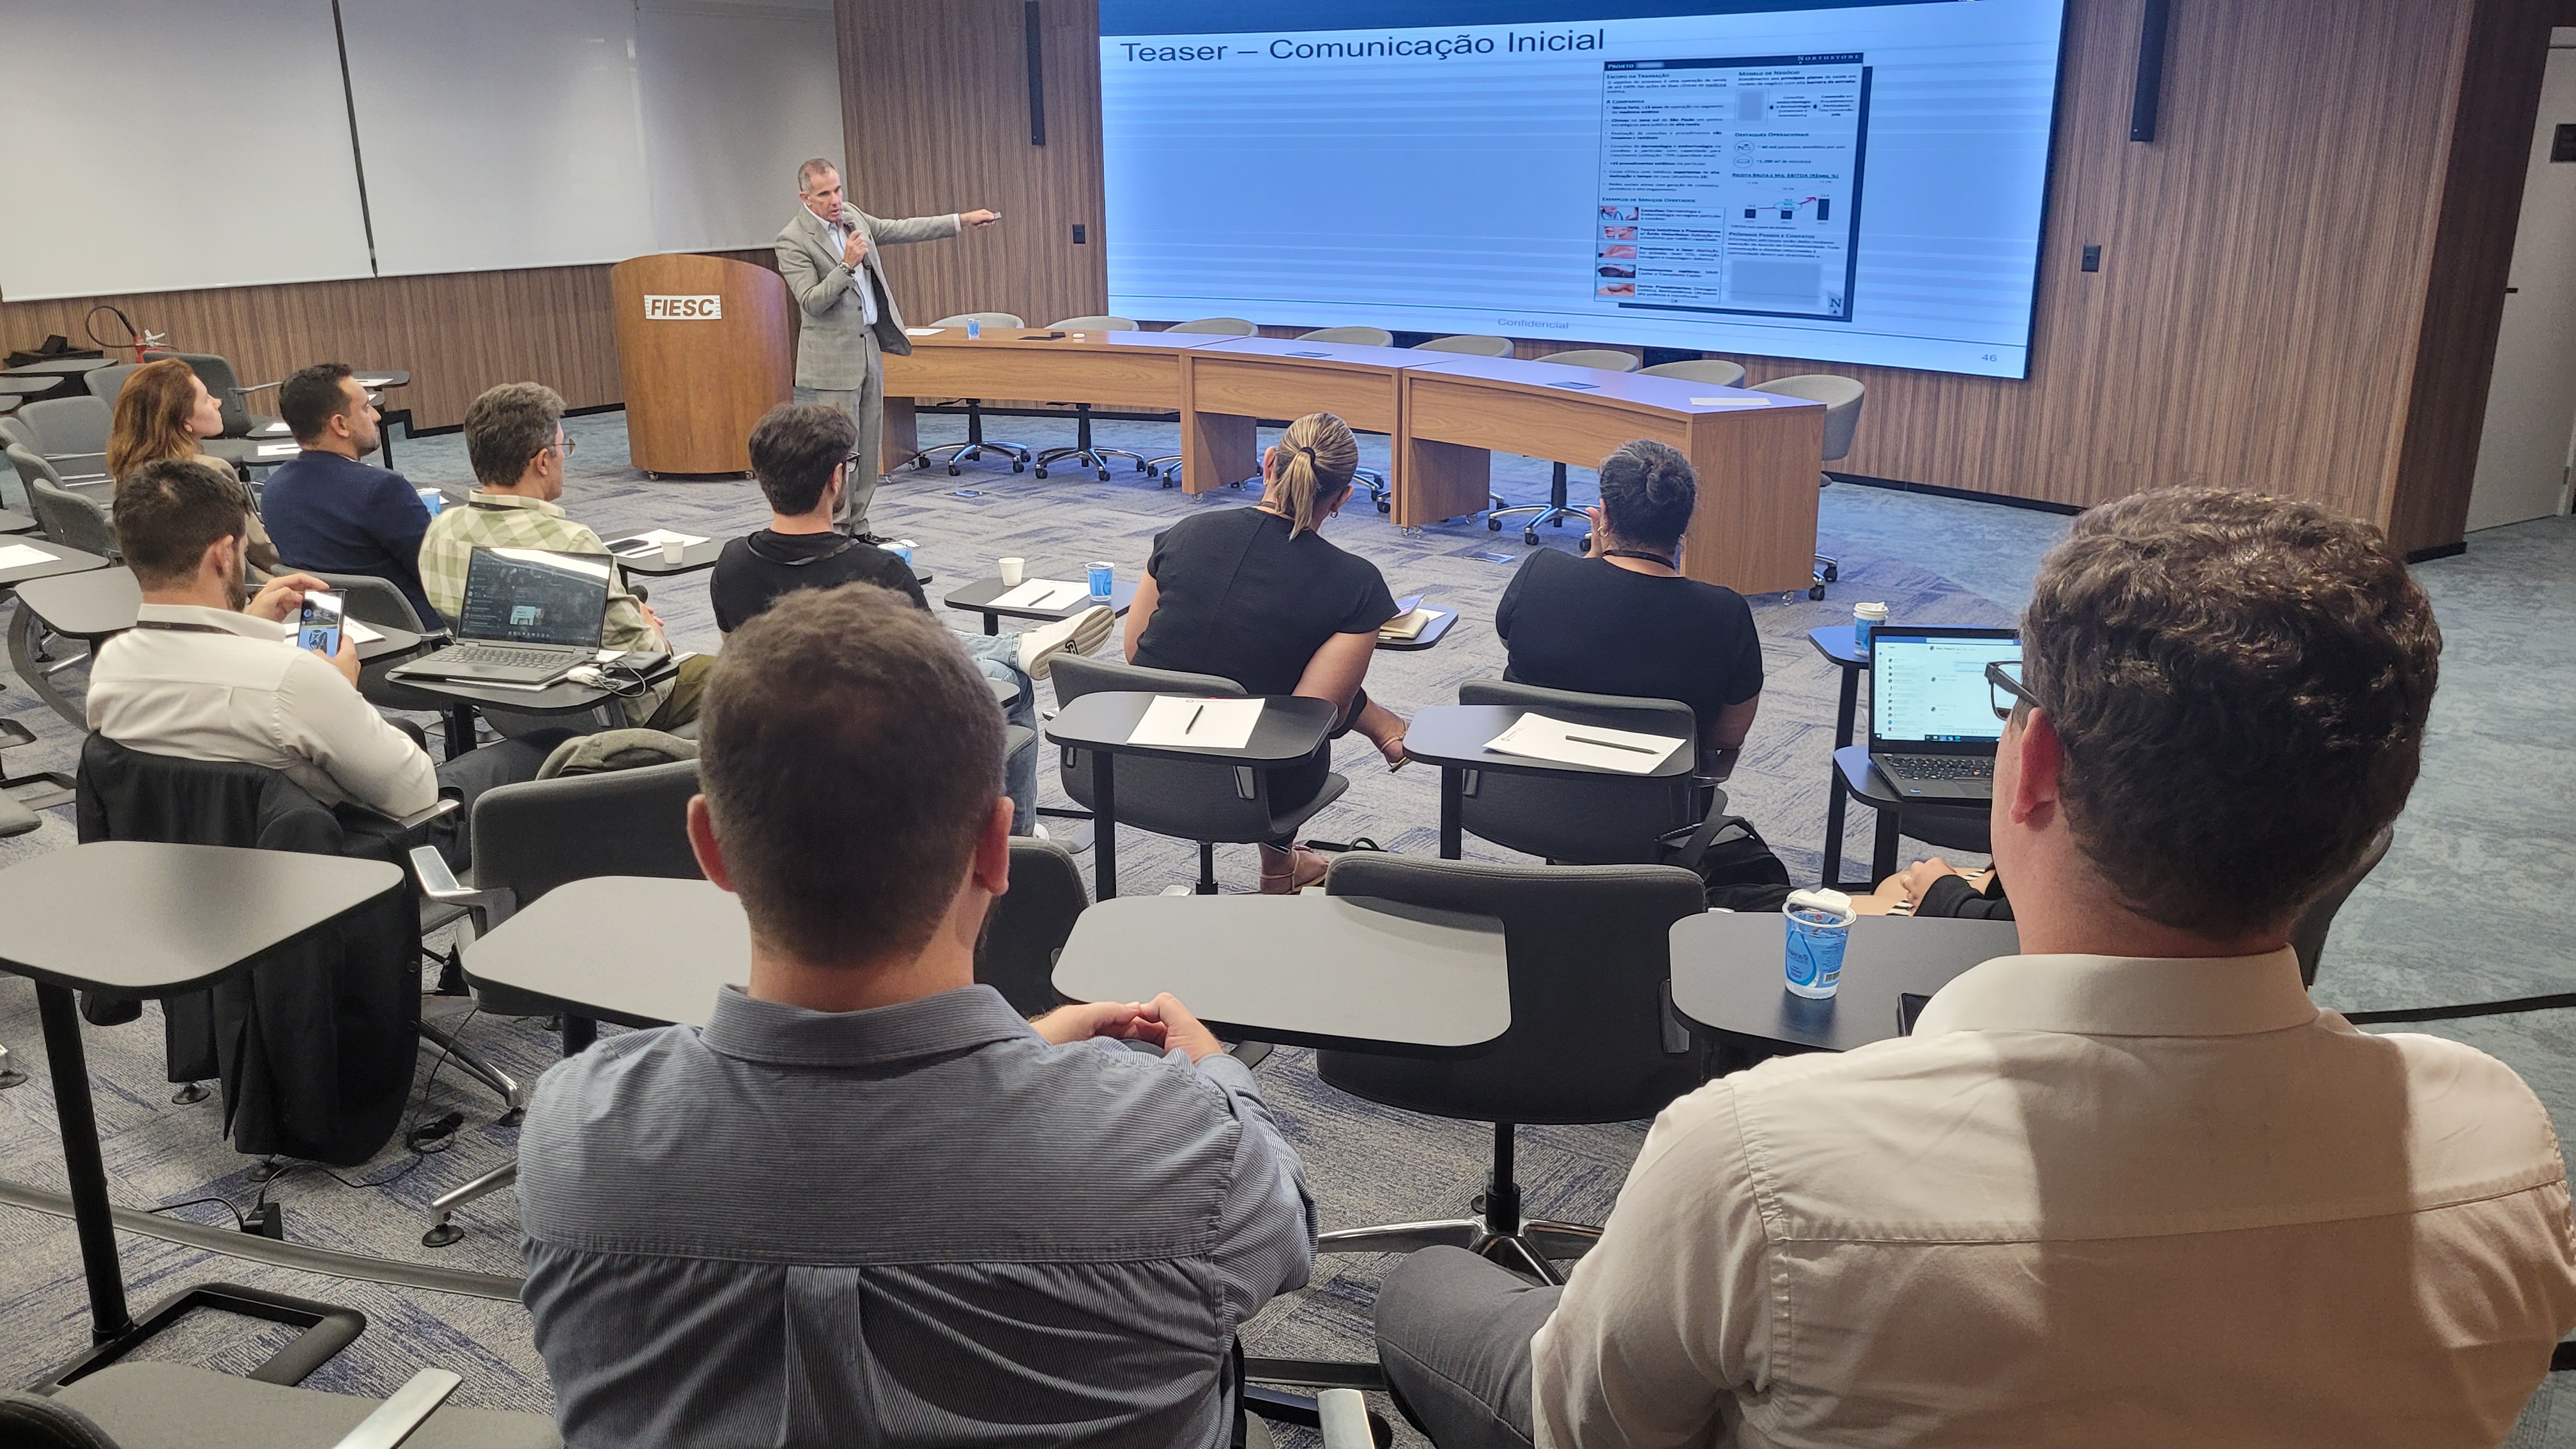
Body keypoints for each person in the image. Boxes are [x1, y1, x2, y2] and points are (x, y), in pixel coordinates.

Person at [1373, 488, 2576, 1448]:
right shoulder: (2499, 1146)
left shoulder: (1754, 1159)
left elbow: (1583, 1425)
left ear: (2033, 766)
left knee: (1428, 1291)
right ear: (2375, 821)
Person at [517, 584, 1316, 1447]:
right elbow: (1288, 1230)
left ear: (710, 847)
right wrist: (1214, 1070)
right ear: (996, 846)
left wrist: (1026, 1050)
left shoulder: (575, 1131)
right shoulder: (1185, 1151)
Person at [87, 459, 554, 857]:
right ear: (224, 556)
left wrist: (253, 626)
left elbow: (208, 710)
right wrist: (340, 689)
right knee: (546, 748)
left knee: (401, 734)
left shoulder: (111, 667)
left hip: (203, 864)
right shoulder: (292, 681)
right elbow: (416, 793)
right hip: (337, 873)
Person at [710, 401, 1112, 832]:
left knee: (968, 654)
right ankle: (1020, 837)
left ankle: (1015, 648)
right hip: (874, 731)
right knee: (1010, 681)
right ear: (835, 478)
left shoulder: (733, 562)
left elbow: (737, 655)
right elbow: (933, 674)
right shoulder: (878, 572)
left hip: (778, 729)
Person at [1123, 412, 1407, 892]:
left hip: (1135, 766)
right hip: (1255, 790)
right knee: (1285, 715)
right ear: (1343, 497)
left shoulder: (1185, 533)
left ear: (1269, 463)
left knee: (1252, 678)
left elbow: (1137, 654)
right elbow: (1316, 716)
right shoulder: (1356, 584)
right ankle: (1278, 870)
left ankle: (1284, 867)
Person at [418, 382, 712, 731]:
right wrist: (646, 623)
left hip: (503, 706)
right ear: (543, 461)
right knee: (748, 678)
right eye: (563, 447)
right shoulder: (571, 543)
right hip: (601, 708)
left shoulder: (441, 530)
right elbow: (648, 657)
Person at [774, 157, 1000, 542]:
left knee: (869, 446)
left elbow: (901, 228)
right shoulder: (793, 240)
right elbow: (811, 302)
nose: (835, 200)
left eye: (838, 189)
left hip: (868, 348)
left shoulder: (853, 218)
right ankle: (834, 533)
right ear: (805, 198)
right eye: (825, 194)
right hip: (831, 362)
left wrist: (960, 220)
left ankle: (859, 527)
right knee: (838, 452)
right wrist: (846, 266)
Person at [1492, 439, 1761, 759]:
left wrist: (1591, 563)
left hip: (1523, 782)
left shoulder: (1542, 573)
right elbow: (1728, 736)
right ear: (1685, 522)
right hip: (1655, 790)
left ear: (1604, 516)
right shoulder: (1724, 614)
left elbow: (1515, 642)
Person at [259, 362, 438, 628]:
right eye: (365, 408)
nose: (376, 417)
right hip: (412, 636)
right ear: (340, 425)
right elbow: (437, 576)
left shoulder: (274, 490)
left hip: (326, 633)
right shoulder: (383, 490)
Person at [104, 356, 278, 577]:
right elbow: (262, 552)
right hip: (243, 585)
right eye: (206, 400)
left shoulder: (127, 474)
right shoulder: (210, 472)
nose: (218, 402)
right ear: (184, 419)